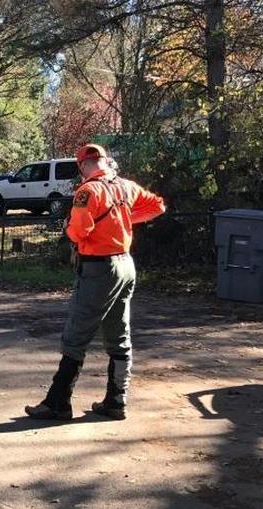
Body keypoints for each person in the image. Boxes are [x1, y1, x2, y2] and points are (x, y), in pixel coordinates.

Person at [25, 144, 165, 421]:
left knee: (76, 335)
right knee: (119, 334)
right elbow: (157, 206)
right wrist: (125, 220)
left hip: (99, 269)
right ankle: (116, 400)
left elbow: (78, 232)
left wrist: (70, 229)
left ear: (81, 166)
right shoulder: (126, 186)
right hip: (125, 265)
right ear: (105, 161)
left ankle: (58, 403)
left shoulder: (88, 191)